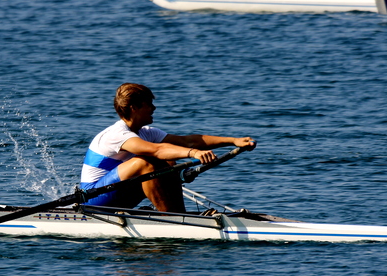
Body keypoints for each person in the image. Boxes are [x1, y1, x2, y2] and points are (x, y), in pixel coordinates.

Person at [80, 83, 256, 212]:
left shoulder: (147, 132)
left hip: (117, 193)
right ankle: (175, 218)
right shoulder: (116, 134)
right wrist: (194, 154)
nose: (154, 108)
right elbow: (157, 150)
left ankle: (177, 214)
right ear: (134, 108)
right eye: (149, 104)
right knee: (147, 162)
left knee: (168, 158)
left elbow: (188, 142)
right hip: (95, 199)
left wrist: (233, 141)